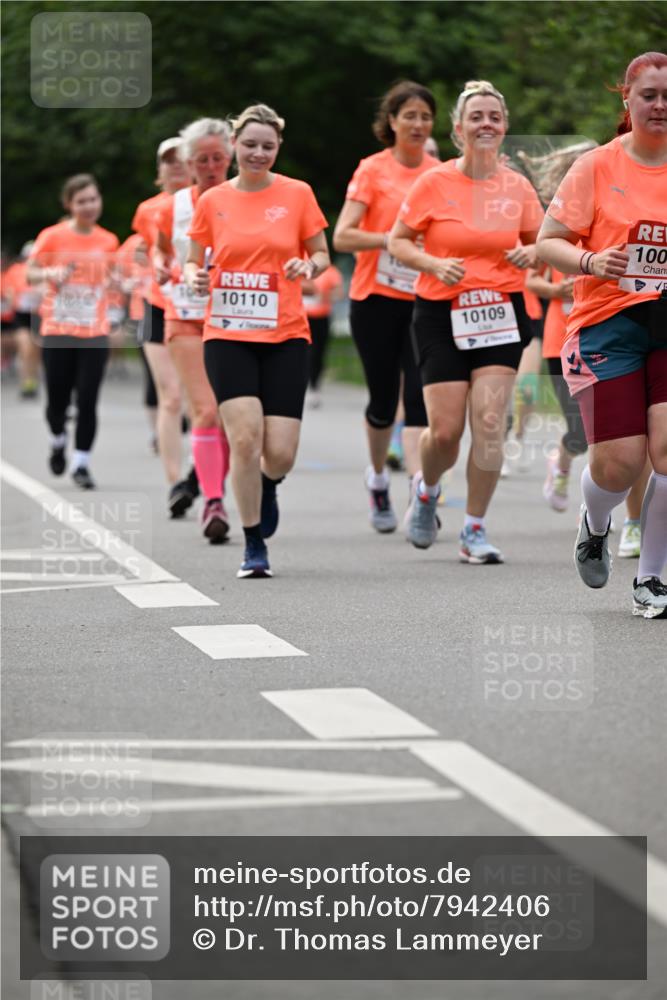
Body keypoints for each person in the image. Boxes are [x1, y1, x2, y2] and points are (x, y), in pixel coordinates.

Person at [389, 80, 543, 563]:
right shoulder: (433, 183)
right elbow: (398, 241)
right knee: (446, 431)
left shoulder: (517, 187)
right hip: (441, 312)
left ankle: (474, 528)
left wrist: (532, 253)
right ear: (458, 129)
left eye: (494, 116)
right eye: (476, 117)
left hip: (499, 311)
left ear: (505, 127)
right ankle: (427, 488)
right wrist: (433, 264)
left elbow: (545, 242)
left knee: (491, 423)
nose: (485, 124)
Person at [537, 51, 667, 618]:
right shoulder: (596, 166)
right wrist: (592, 261)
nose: (660, 106)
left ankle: (652, 577)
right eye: (649, 95)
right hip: (606, 323)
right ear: (627, 99)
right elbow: (548, 243)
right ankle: (595, 522)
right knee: (619, 462)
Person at [185, 103, 329, 578]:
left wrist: (308, 266)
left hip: (286, 334)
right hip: (227, 333)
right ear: (234, 146)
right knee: (245, 437)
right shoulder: (213, 200)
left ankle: (268, 484)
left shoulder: (297, 194)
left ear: (278, 147)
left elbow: (322, 254)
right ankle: (252, 543)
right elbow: (193, 258)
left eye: (267, 146)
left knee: (280, 451)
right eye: (249, 145)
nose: (258, 153)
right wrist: (194, 276)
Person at [333, 81, 438, 533]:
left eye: (425, 116)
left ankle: (419, 494)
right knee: (381, 400)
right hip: (375, 298)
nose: (418, 124)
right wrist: (393, 241)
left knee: (419, 399)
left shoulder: (440, 174)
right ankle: (377, 478)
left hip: (424, 300)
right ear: (391, 121)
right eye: (409, 115)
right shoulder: (372, 170)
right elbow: (342, 236)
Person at [155, 119, 233, 544]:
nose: (210, 167)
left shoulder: (246, 199)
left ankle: (209, 482)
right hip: (185, 315)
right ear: (188, 163)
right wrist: (163, 267)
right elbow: (161, 249)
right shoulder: (174, 206)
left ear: (230, 158)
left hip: (237, 317)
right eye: (201, 160)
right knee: (204, 410)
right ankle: (214, 502)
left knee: (229, 414)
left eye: (218, 158)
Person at [27, 174, 119, 488]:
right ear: (69, 205)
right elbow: (30, 272)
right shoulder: (52, 236)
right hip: (58, 329)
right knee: (57, 400)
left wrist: (116, 286)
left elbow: (111, 278)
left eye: (93, 199)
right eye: (81, 201)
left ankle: (81, 463)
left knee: (88, 399)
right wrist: (50, 273)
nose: (89, 206)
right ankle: (57, 438)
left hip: (94, 330)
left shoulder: (108, 241)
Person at [131, 138, 195, 516]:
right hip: (158, 305)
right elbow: (146, 247)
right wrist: (148, 257)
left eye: (181, 159)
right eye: (168, 161)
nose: (175, 166)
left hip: (198, 307)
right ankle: (175, 484)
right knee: (170, 396)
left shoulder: (210, 201)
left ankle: (200, 471)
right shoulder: (148, 209)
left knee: (199, 400)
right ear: (160, 169)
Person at [3, 242, 43, 397]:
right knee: (25, 346)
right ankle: (26, 381)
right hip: (21, 315)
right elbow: (9, 290)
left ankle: (33, 379)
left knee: (35, 350)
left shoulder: (44, 271)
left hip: (38, 315)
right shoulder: (16, 270)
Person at [303, 264, 344, 407]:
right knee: (303, 352)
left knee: (318, 353)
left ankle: (314, 386)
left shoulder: (331, 271)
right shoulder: (300, 265)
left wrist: (324, 296)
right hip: (302, 317)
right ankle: (301, 384)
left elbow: (339, 294)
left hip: (321, 318)